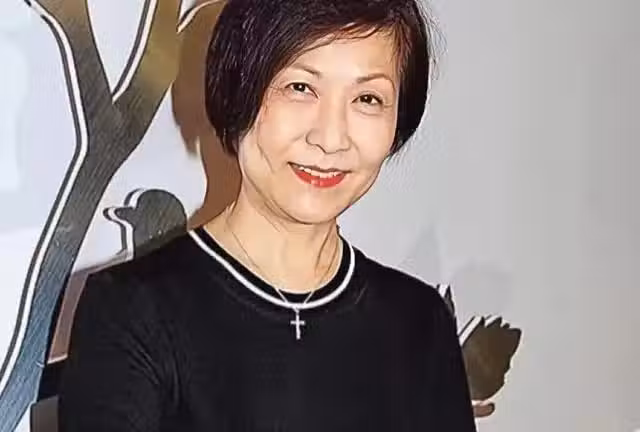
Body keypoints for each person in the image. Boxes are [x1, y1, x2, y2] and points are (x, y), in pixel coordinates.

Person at [58, 0, 477, 430]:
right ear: (238, 89)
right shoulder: (133, 311)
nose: (331, 138)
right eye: (300, 87)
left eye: (368, 98)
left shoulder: (419, 322)